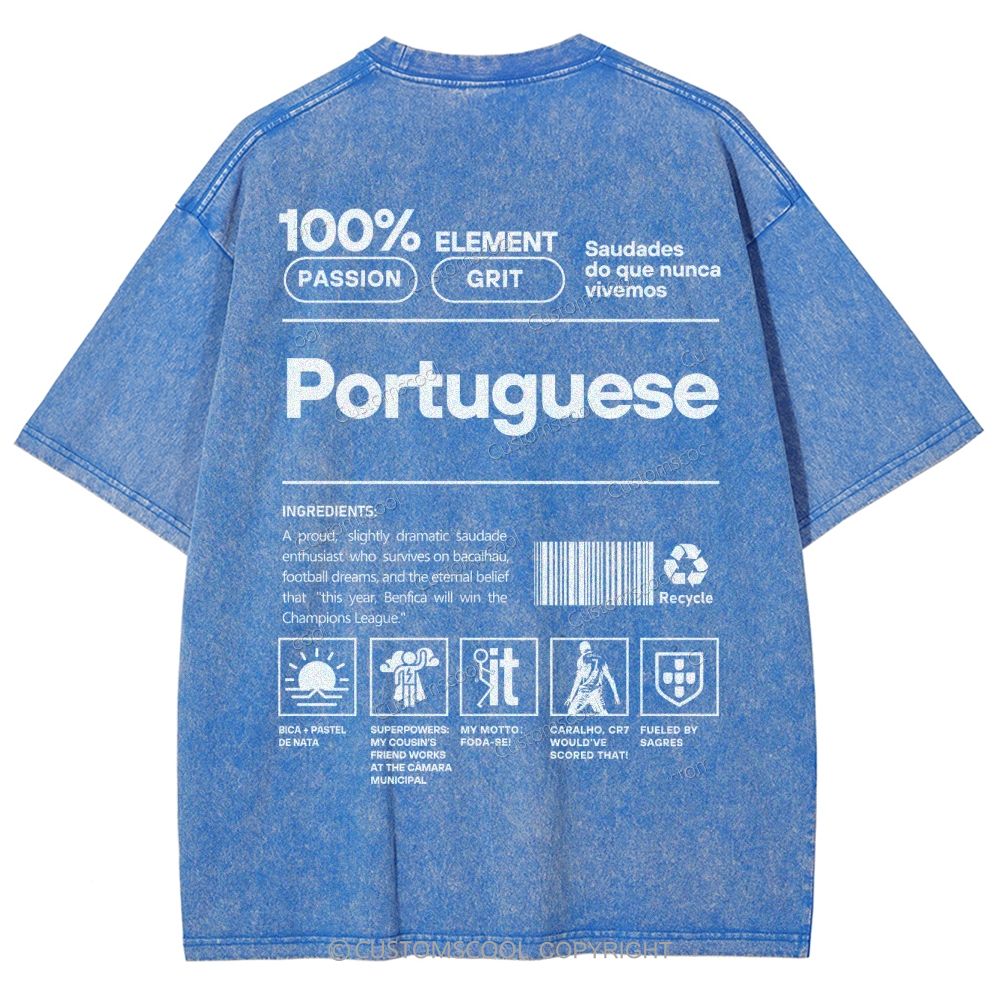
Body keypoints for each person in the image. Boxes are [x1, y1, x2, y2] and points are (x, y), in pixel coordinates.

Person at [565, 640, 620, 715]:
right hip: (595, 693)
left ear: (581, 650)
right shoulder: (601, 659)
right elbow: (610, 679)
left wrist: (571, 697)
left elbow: (578, 680)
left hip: (583, 692)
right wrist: (616, 695)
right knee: (603, 714)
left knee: (571, 712)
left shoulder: (581, 659)